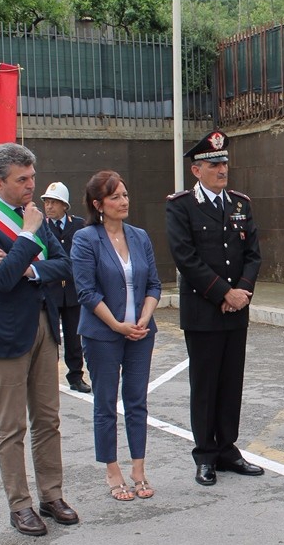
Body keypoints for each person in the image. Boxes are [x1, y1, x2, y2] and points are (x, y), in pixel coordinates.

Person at [0, 143, 79, 536]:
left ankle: (52, 494)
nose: (32, 186)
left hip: (44, 325)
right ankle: (20, 504)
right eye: (22, 180)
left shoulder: (34, 215)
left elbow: (64, 264)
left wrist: (28, 268)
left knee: (48, 419)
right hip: (4, 334)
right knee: (11, 427)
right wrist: (28, 239)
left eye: (32, 177)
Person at [166, 130, 264, 487]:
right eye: (213, 164)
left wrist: (242, 292)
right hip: (204, 311)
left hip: (237, 310)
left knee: (231, 381)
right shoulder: (180, 206)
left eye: (224, 163)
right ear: (197, 170)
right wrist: (223, 292)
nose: (222, 170)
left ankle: (227, 448)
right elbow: (186, 258)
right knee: (205, 383)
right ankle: (205, 453)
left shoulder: (239, 203)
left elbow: (253, 253)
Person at [71, 171, 161, 501]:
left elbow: (153, 284)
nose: (123, 202)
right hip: (102, 335)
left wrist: (142, 320)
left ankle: (138, 468)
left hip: (141, 332)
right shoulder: (85, 239)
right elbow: (86, 292)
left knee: (137, 402)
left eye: (125, 195)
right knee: (106, 404)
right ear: (98, 204)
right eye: (115, 197)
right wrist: (117, 325)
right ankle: (112, 469)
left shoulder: (139, 236)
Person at [42, 181, 91, 393]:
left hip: (72, 291)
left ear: (65, 206)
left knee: (74, 337)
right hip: (50, 291)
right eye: (47, 202)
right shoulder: (40, 226)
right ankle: (47, 378)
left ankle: (76, 376)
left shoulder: (79, 225)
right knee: (50, 337)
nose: (49, 206)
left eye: (54, 202)